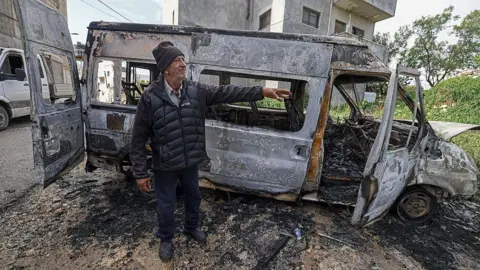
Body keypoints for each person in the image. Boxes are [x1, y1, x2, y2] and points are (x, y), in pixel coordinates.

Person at [129, 41, 291, 262]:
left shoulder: (196, 91)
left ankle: (191, 227)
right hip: (165, 164)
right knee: (166, 206)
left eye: (182, 59)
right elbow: (137, 138)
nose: (182, 64)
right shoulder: (150, 97)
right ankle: (166, 238)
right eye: (177, 60)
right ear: (166, 68)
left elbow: (227, 92)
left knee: (194, 197)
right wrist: (140, 172)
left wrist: (261, 91)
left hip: (190, 160)